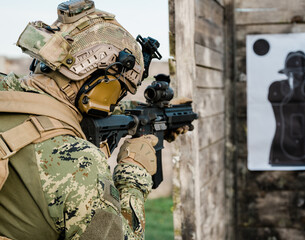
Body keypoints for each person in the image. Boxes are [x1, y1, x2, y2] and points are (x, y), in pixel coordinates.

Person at [0, 1, 182, 239]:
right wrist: (132, 175)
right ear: (102, 85)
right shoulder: (79, 163)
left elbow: (58, 109)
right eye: (119, 92)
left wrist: (140, 114)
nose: (115, 102)